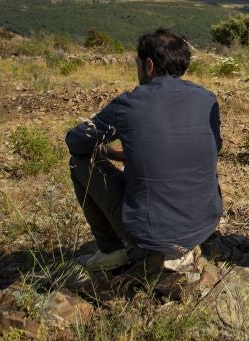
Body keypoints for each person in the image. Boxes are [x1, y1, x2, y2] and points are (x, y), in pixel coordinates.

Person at [65, 29, 222, 274]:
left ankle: (111, 250)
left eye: (137, 63)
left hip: (152, 235)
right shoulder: (207, 99)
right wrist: (121, 155)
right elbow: (210, 149)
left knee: (79, 162)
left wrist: (102, 150)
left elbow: (76, 141)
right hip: (204, 224)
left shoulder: (130, 105)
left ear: (149, 65)